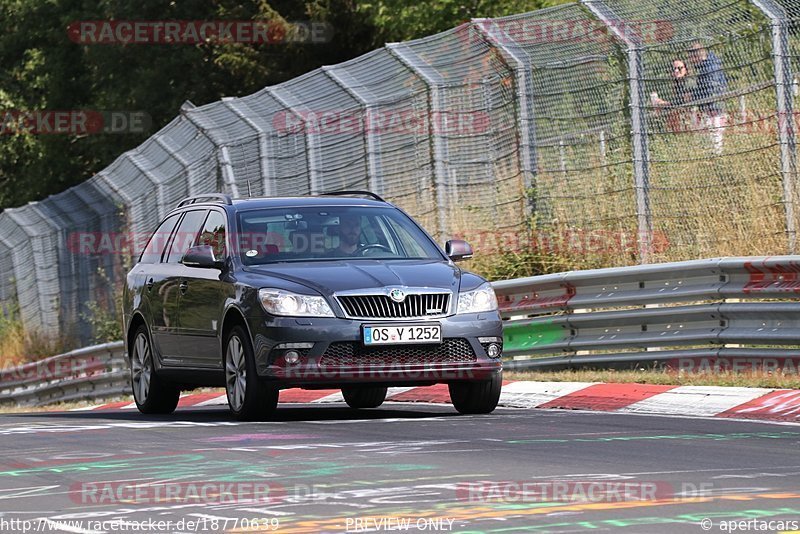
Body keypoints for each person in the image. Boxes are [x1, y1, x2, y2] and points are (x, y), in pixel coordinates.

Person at [688, 41, 728, 154]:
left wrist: (694, 96)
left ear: (696, 56)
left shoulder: (710, 67)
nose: (690, 61)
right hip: (712, 107)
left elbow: (710, 88)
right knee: (711, 134)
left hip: (714, 108)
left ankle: (717, 157)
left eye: (691, 58)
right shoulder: (709, 65)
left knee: (715, 135)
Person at [651, 58, 696, 133]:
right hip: (680, 110)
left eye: (679, 68)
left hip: (692, 111)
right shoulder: (676, 83)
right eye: (674, 69)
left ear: (686, 69)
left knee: (673, 113)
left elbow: (685, 102)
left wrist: (663, 103)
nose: (676, 71)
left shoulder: (688, 81)